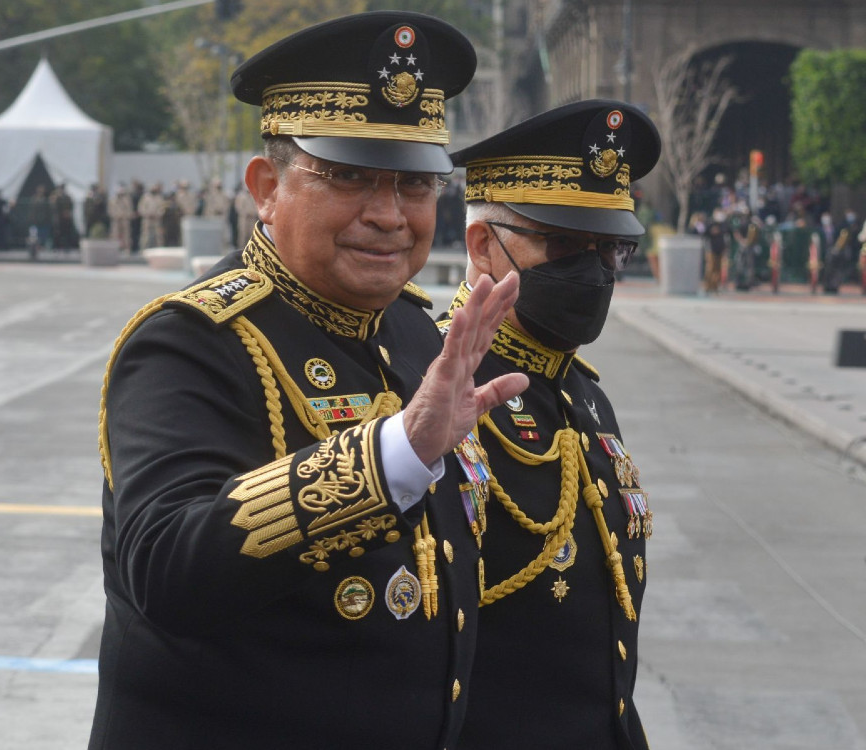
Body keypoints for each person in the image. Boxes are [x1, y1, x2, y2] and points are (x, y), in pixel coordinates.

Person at [90, 12, 526, 749]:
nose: (389, 215)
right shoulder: (191, 341)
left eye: (415, 184)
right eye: (350, 177)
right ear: (267, 187)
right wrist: (392, 453)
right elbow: (166, 568)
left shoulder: (418, 332)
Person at [441, 99, 660, 749]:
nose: (593, 272)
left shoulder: (580, 392)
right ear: (484, 245)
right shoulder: (432, 392)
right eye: (563, 244)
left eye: (608, 249)